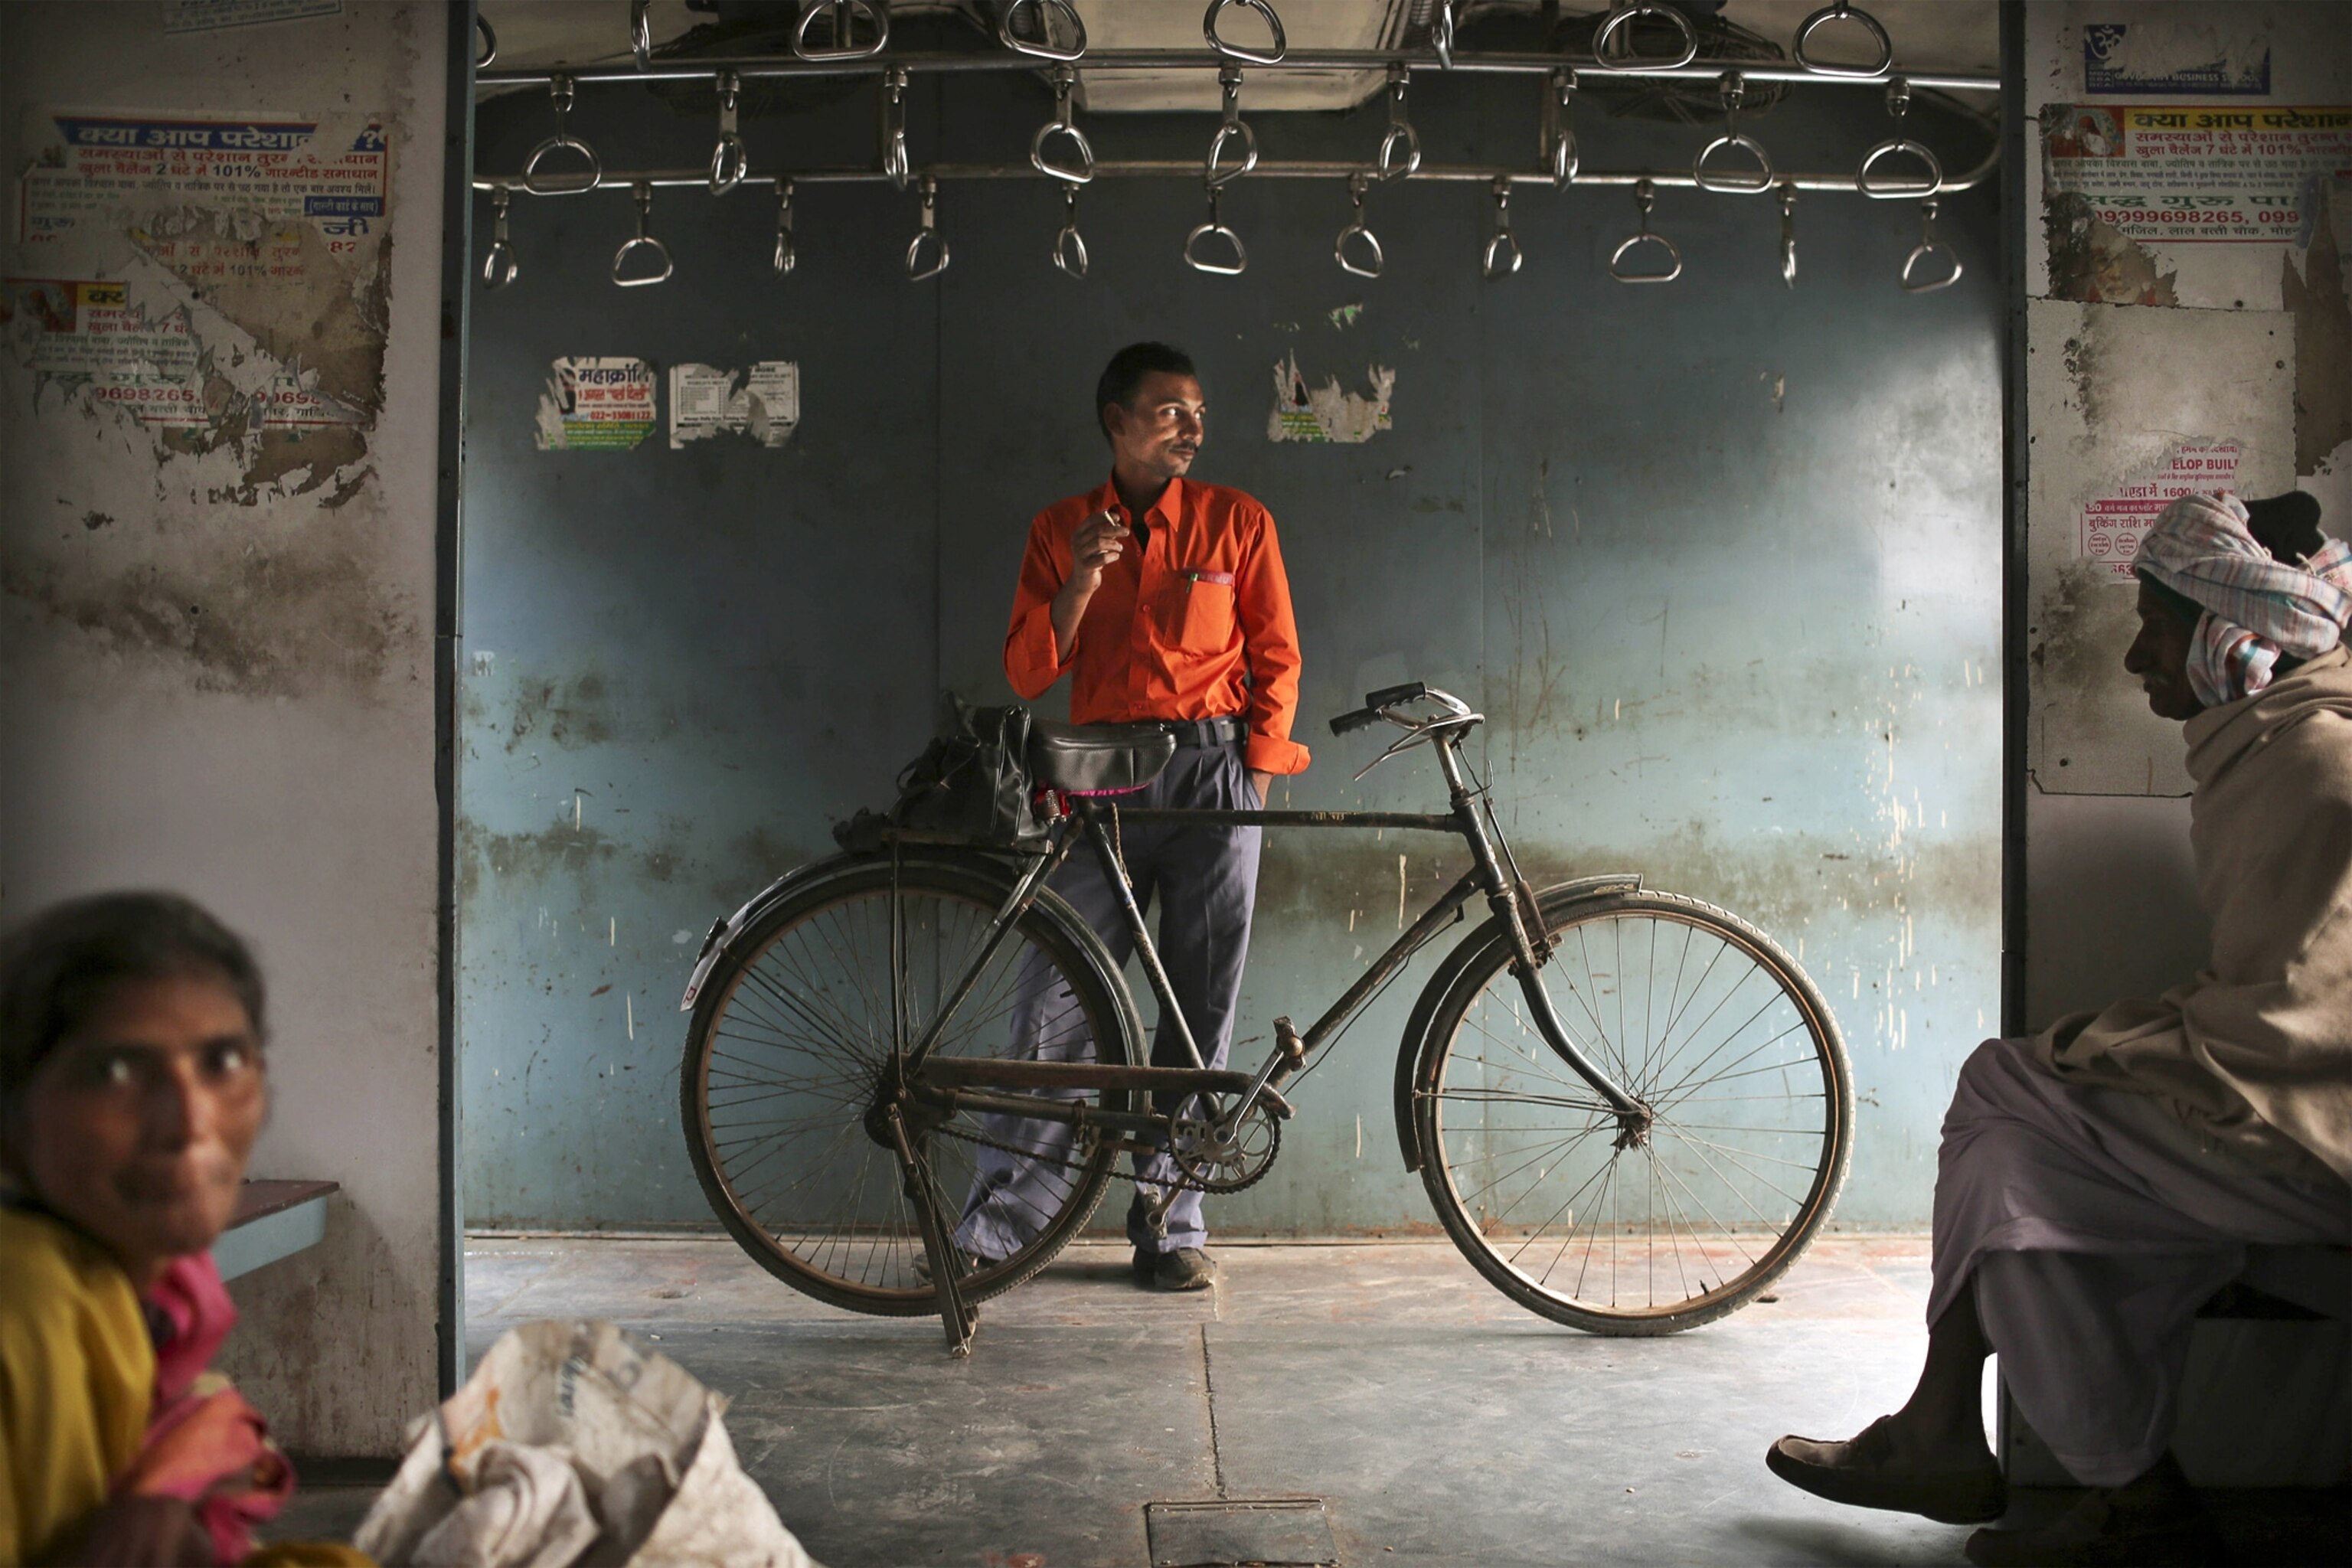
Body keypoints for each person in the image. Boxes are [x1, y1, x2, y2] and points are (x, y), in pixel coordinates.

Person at [1766, 490, 2352, 1567]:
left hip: (2309, 1140)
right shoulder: (2277, 743)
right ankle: (2119, 1497)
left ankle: (1951, 1429)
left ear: (2228, 638)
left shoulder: (2315, 761)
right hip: (2280, 1120)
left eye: (2157, 630)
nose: (2136, 660)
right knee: (2019, 1204)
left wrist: (2128, 1046)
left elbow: (2294, 1035)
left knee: (1998, 1089)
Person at [952, 341, 1310, 1293]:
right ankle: (1001, 1229)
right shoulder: (1061, 528)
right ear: (1116, 420)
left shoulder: (1239, 523)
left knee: (1197, 1015)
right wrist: (1077, 582)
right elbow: (1030, 673)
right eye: (1167, 410)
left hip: (1211, 774)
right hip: (1097, 778)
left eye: (1197, 411)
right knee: (1051, 1006)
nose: (1190, 425)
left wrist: (1254, 786)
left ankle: (1168, 1220)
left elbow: (1276, 658)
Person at [0, 891, 369, 1567]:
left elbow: (210, 1415)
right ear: (12, 1121)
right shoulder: (27, 1301)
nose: (188, 1122)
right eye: (114, 1072)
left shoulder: (159, 1281)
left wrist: (169, 1495)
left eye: (222, 1063)